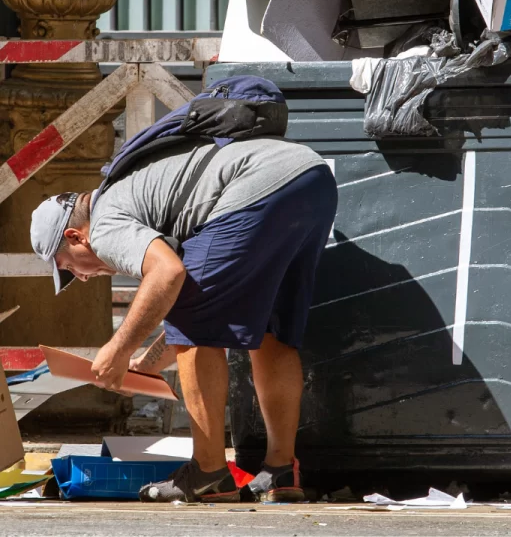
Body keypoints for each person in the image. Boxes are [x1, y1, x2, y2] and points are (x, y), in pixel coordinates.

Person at [29, 135, 338, 503]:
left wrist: (118, 349)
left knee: (193, 322)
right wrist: (150, 362)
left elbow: (169, 275)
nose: (81, 277)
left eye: (68, 268)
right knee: (273, 330)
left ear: (75, 236)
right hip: (311, 177)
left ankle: (208, 473)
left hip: (256, 186)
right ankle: (280, 472)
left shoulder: (107, 223)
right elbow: (193, 292)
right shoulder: (131, 195)